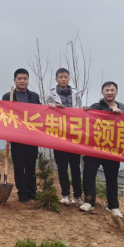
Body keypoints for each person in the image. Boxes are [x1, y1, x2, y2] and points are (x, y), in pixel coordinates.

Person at [80, 82, 124, 218]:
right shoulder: (96, 106)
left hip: (113, 148)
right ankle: (89, 201)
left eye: (112, 90)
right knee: (89, 174)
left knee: (112, 178)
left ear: (116, 92)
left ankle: (113, 206)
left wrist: (121, 114)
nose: (109, 92)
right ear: (102, 92)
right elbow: (89, 117)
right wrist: (110, 112)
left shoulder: (123, 108)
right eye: (107, 90)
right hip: (95, 147)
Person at [45, 68, 84, 207]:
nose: (63, 79)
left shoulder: (76, 94)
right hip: (59, 135)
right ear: (56, 79)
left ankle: (78, 196)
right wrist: (51, 107)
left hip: (73, 135)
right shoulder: (51, 94)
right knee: (62, 166)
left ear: (69, 78)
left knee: (75, 167)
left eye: (66, 77)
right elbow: (46, 112)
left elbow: (79, 111)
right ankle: (65, 195)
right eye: (61, 77)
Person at [2, 69, 41, 203]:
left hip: (32, 137)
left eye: (25, 78)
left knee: (31, 165)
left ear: (28, 80)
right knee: (19, 166)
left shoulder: (34, 97)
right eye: (19, 79)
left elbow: (40, 114)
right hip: (16, 136)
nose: (22, 81)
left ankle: (32, 191)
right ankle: (22, 192)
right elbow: (2, 114)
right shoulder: (8, 96)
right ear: (14, 80)